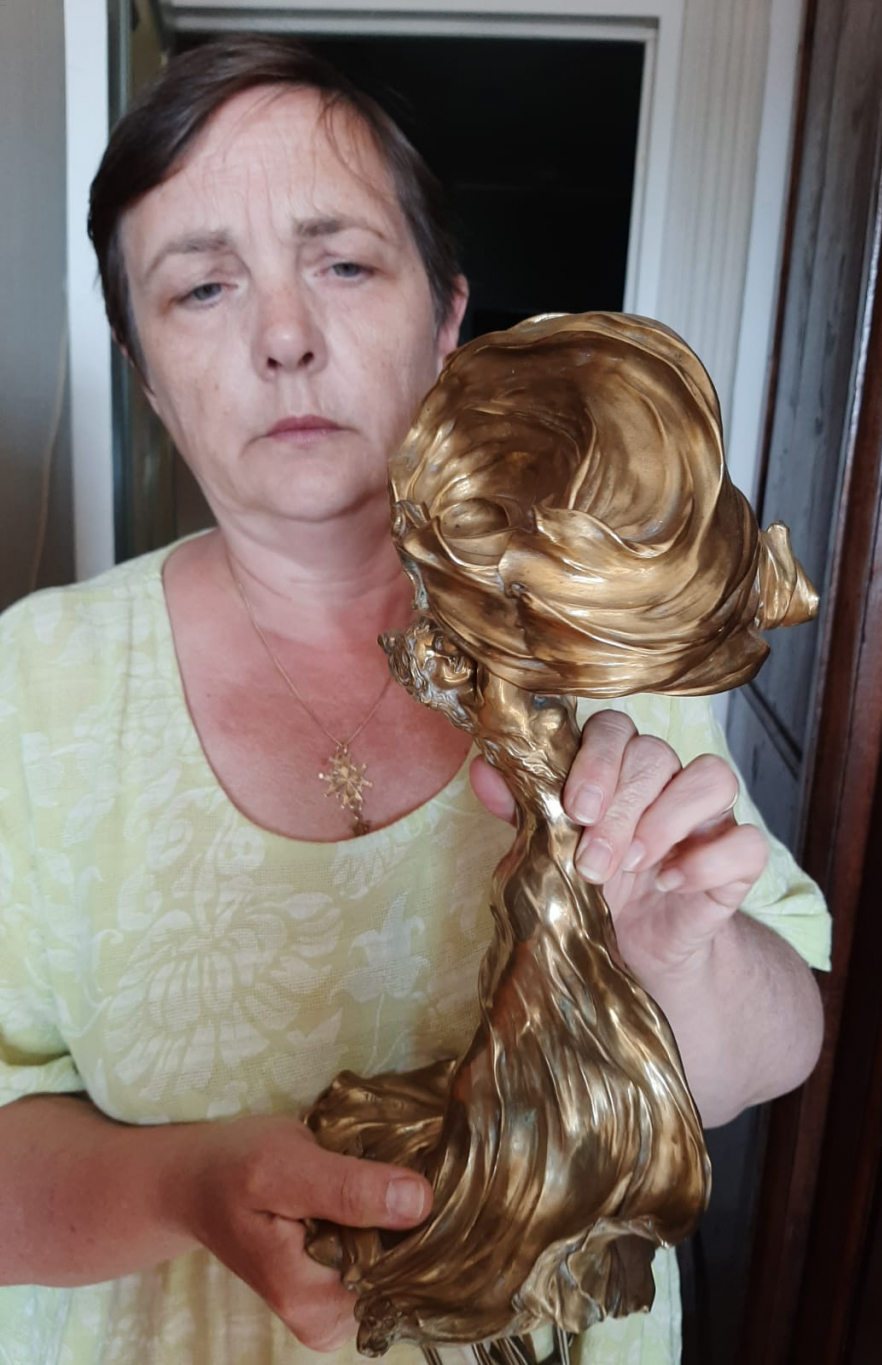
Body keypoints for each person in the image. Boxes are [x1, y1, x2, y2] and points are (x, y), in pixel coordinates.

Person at [0, 35, 829, 1365]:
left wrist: (683, 959)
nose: (285, 337)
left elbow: (769, 1052)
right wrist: (187, 1189)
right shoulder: (30, 689)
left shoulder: (587, 631)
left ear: (448, 319)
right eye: (202, 286)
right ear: (144, 369)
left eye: (343, 264)